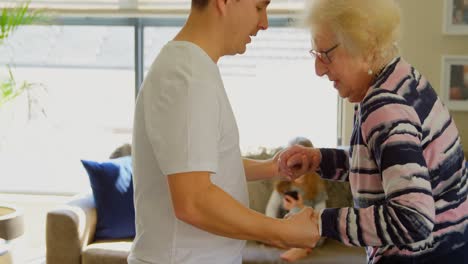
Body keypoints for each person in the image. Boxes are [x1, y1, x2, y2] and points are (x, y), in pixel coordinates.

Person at [128, 1, 319, 263]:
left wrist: (271, 167)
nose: (264, 23)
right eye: (258, 7)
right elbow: (193, 200)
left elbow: (196, 166)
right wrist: (284, 232)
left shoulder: (192, 68)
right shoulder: (188, 77)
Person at [277, 0, 468, 263]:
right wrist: (319, 160)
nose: (318, 69)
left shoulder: (384, 106)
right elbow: (387, 163)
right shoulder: (402, 79)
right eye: (316, 55)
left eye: (326, 55)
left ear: (365, 46)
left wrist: (321, 222)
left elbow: (413, 219)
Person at [266, 137, 327, 262]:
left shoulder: (317, 188)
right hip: (288, 228)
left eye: (301, 166)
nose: (297, 171)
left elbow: (321, 216)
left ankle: (301, 248)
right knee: (272, 232)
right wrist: (272, 229)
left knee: (321, 232)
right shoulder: (282, 186)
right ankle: (297, 246)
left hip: (308, 229)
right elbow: (270, 210)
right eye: (294, 166)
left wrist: (299, 208)